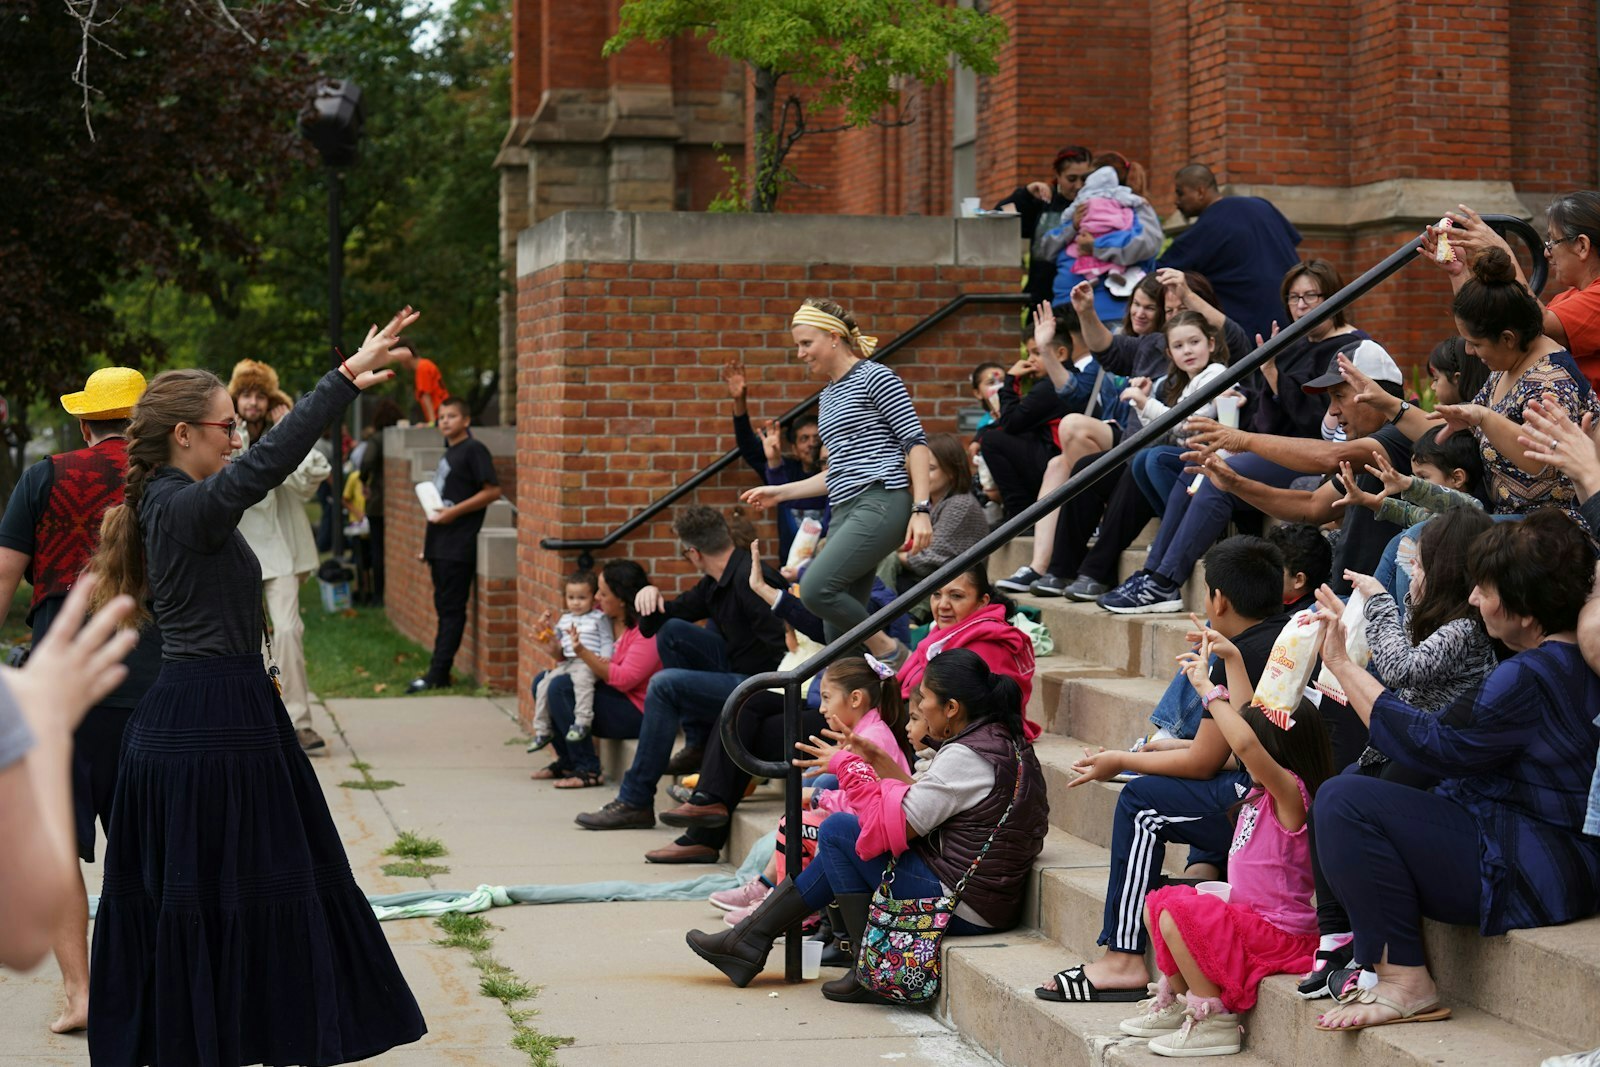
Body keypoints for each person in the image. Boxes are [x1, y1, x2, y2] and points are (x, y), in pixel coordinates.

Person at [85, 312, 428, 1065]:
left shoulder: (170, 504)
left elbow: (254, 463)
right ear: (183, 434)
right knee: (233, 898)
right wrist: (339, 382)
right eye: (220, 426)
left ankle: (233, 1038)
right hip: (209, 728)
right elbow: (265, 463)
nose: (231, 437)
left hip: (222, 716)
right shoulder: (182, 506)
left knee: (242, 898)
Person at [1311, 511, 1600, 1033]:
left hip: (1541, 865)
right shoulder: (1570, 655)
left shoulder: (1530, 674)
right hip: (1548, 848)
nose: (1471, 600)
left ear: (1526, 612)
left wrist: (1343, 665)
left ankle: (1404, 982)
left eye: (1484, 589)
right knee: (1358, 789)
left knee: (1342, 801)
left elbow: (1435, 748)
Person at [685, 648, 1049, 998]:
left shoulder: (967, 756)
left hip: (960, 905)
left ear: (952, 708)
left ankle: (864, 967)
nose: (919, 707)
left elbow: (883, 833)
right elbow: (920, 803)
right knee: (839, 834)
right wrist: (875, 762)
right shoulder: (1000, 741)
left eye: (924, 699)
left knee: (838, 831)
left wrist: (848, 764)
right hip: (978, 896)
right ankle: (750, 940)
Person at [1035, 536, 1301, 1002]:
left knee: (1142, 803)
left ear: (1217, 597)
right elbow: (1228, 750)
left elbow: (1203, 764)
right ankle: (1203, 877)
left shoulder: (1237, 654)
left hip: (1269, 812)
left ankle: (1122, 959)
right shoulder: (1283, 638)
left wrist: (1120, 761)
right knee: (1175, 779)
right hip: (1294, 798)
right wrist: (1169, 748)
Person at [0, 367, 163, 1033]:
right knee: (148, 841)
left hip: (61, 689)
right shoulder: (169, 480)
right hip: (152, 677)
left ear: (84, 423)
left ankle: (83, 994)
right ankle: (150, 987)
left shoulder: (45, 476)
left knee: (59, 842)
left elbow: (6, 575)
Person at [1295, 507, 1499, 999]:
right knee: (1329, 800)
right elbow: (1394, 653)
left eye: (1422, 569)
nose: (1415, 578)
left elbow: (1401, 668)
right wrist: (1360, 614)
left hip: (1432, 755)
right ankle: (1334, 933)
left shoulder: (1466, 630)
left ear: (1448, 572)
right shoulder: (1435, 618)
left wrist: (1382, 603)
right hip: (1399, 743)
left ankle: (1370, 953)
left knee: (1357, 806)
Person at [1116, 647, 1331, 1057]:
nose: (1243, 751)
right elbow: (1250, 720)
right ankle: (1182, 1002)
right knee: (1158, 902)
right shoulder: (1260, 789)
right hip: (1252, 918)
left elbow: (1247, 743)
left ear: (1276, 751)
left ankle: (1214, 1019)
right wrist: (1234, 658)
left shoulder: (1291, 794)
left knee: (1179, 914)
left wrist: (1207, 690)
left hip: (1282, 933)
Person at [1113, 338, 1409, 612]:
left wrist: (1242, 440)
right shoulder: (1371, 441)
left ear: (1373, 392)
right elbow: (1312, 506)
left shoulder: (1399, 435)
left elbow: (1329, 456)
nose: (1333, 411)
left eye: (1339, 396)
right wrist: (1234, 483)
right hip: (1345, 597)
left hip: (1373, 606)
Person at [742, 298, 931, 665]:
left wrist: (921, 508)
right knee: (835, 634)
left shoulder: (876, 376)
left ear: (833, 337)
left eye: (805, 343)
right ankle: (880, 703)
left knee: (814, 589)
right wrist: (780, 492)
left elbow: (915, 442)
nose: (800, 354)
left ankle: (892, 653)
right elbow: (837, 474)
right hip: (846, 509)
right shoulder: (828, 395)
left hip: (882, 501)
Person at [575, 506, 786, 830]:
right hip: (737, 671)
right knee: (672, 631)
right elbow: (659, 622)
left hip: (764, 687)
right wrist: (648, 593)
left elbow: (785, 647)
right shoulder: (715, 582)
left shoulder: (753, 579)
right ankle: (699, 741)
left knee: (664, 684)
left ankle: (635, 800)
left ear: (693, 552)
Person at [709, 654, 917, 924]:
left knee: (795, 823)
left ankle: (790, 912)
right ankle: (770, 890)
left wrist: (819, 797)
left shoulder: (870, 739)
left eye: (827, 697)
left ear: (855, 699)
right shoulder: (866, 732)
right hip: (866, 827)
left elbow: (867, 802)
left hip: (876, 839)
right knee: (800, 812)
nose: (821, 708)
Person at [0, 577, 138, 971]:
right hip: (146, 688)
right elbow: (21, 938)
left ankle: (81, 992)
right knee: (143, 847)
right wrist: (44, 734)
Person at [1412, 247, 1600, 523]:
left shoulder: (1551, 381)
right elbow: (1483, 315)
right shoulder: (1508, 365)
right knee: (1409, 541)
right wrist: (1388, 405)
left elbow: (1538, 459)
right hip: (1508, 524)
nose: (1470, 353)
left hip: (1555, 530)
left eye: (1476, 344)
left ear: (1508, 339)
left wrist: (1485, 418)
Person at [228, 358, 331, 751]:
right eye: (246, 395)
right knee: (243, 641)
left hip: (281, 552)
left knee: (288, 632)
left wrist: (293, 430)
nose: (253, 403)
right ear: (235, 398)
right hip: (236, 550)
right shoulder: (224, 432)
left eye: (260, 395)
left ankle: (299, 722)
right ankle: (250, 723)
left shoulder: (282, 432)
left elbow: (310, 481)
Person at [531, 559, 663, 789]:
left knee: (560, 687)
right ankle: (567, 761)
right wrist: (556, 647)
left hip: (637, 711)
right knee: (541, 682)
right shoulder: (602, 616)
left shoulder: (647, 632)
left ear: (621, 598)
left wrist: (582, 652)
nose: (597, 599)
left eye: (602, 593)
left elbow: (623, 680)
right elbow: (574, 658)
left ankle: (588, 769)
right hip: (608, 693)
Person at [407, 396, 502, 693]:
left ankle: (438, 673)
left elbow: (493, 491)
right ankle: (440, 671)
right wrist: (429, 545)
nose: (444, 420)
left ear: (466, 420)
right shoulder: (449, 453)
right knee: (444, 608)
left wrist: (453, 512)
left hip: (458, 546)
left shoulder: (474, 450)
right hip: (440, 545)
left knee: (451, 611)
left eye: (451, 416)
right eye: (441, 416)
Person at [1157, 164, 1303, 340]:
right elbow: (1293, 241)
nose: (1176, 201)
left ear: (1200, 192)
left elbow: (1160, 273)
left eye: (1180, 193)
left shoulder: (1206, 229)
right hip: (1293, 318)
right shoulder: (1262, 206)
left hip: (1248, 332)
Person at [725, 356, 827, 561]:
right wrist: (739, 402)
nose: (811, 444)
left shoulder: (834, 472)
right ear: (795, 449)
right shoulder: (783, 470)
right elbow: (747, 447)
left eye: (817, 438)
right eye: (804, 439)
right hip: (790, 565)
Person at [880, 433, 988, 593]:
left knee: (885, 560)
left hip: (949, 588)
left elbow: (928, 561)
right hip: (921, 581)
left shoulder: (961, 504)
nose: (920, 476)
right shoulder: (927, 502)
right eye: (918, 469)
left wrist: (892, 554)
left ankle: (886, 615)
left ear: (951, 470)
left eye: (930, 469)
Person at [527, 570, 614, 751]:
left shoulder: (599, 618)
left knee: (582, 684)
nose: (575, 602)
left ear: (593, 598)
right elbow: (555, 636)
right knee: (544, 684)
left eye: (581, 597)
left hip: (588, 663)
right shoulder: (565, 619)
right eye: (571, 597)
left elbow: (606, 639)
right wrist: (546, 625)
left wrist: (606, 658)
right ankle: (542, 730)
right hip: (567, 663)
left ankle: (582, 721)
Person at [999, 144, 1093, 307]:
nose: (1078, 186)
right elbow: (1000, 216)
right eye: (1071, 179)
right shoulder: (1044, 201)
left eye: (1084, 179)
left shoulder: (1098, 203)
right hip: (1043, 296)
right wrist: (1026, 194)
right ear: (1057, 175)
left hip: (1086, 294)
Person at [357, 397, 403, 606]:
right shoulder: (401, 437)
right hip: (399, 501)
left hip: (378, 501)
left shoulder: (376, 439)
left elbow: (366, 462)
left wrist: (363, 480)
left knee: (377, 548)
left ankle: (378, 594)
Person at [393, 338, 448, 425]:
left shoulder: (422, 368)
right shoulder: (425, 365)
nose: (400, 363)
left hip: (440, 416)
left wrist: (432, 423)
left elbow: (425, 396)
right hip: (444, 415)